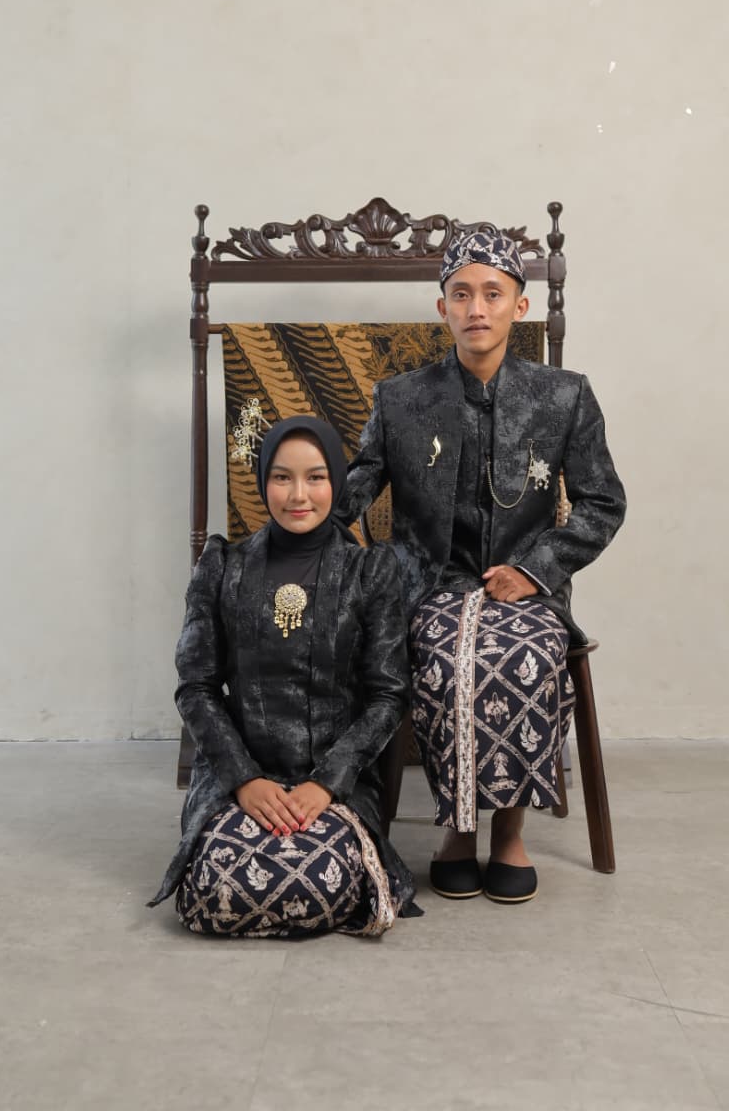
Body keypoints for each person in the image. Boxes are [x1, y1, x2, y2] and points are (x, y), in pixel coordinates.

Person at [344, 231, 626, 904]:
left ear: (518, 308)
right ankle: (457, 830)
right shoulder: (400, 399)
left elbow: (602, 502)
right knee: (446, 658)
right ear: (441, 307)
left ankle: (508, 833)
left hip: (527, 590)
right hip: (428, 586)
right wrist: (301, 510)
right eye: (461, 294)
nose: (476, 308)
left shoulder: (564, 396)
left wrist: (535, 570)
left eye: (492, 294)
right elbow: (352, 491)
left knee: (520, 655)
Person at [149, 416, 418, 936]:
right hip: (238, 781)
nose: (299, 495)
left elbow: (389, 695)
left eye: (316, 477)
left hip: (334, 787)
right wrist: (244, 780)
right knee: (221, 886)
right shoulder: (222, 566)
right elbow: (196, 688)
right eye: (281, 477)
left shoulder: (369, 572)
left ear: (336, 481)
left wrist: (326, 783)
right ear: (262, 482)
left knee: (315, 879)